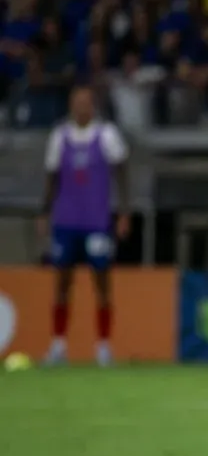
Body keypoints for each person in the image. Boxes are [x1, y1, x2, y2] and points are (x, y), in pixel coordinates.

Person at [38, 85, 131, 366]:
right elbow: (52, 177)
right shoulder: (59, 137)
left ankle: (103, 346)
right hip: (65, 220)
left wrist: (124, 212)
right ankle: (58, 345)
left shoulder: (107, 135)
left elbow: (122, 173)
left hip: (96, 221)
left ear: (93, 105)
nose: (81, 107)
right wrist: (44, 212)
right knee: (62, 283)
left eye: (85, 102)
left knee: (102, 282)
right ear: (70, 105)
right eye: (76, 102)